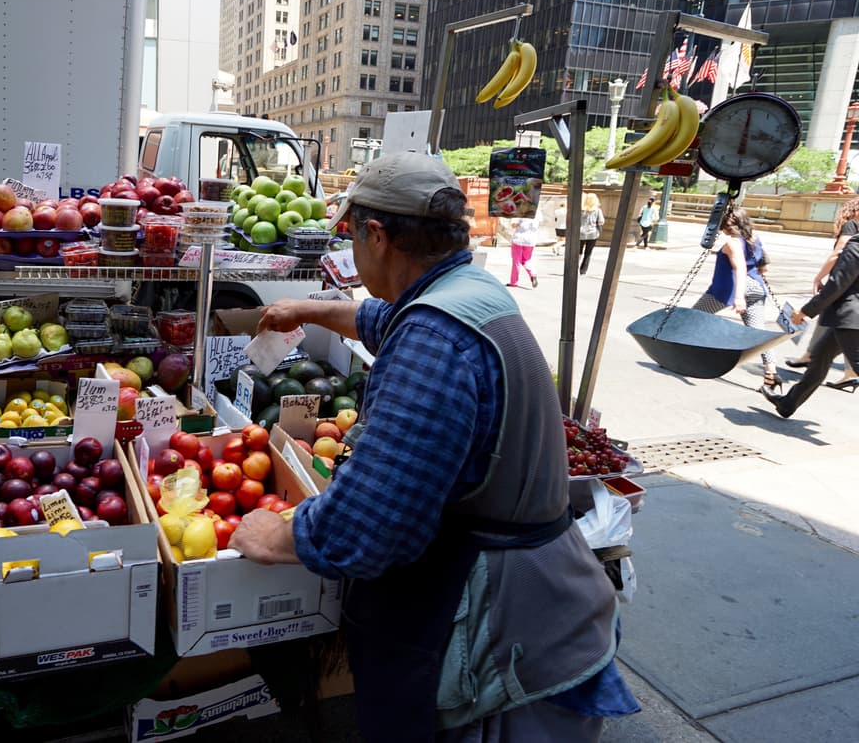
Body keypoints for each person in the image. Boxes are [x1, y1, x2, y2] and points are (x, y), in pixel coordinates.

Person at [230, 150, 638, 741]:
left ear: (375, 235)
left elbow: (367, 527)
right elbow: (385, 317)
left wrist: (280, 535)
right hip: (552, 603)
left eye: (352, 233)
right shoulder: (469, 289)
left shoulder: (432, 339)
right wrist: (311, 308)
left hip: (496, 634)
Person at [762, 231, 859, 417]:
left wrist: (806, 311)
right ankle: (788, 404)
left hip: (850, 318)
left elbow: (837, 284)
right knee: (820, 358)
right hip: (847, 320)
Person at [692, 206, 779, 392]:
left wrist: (739, 297)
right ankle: (771, 373)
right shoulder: (754, 238)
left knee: (693, 317)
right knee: (758, 332)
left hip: (728, 290)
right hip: (756, 287)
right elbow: (764, 268)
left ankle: (690, 357)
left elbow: (739, 267)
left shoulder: (732, 242)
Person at [781, 196, 859, 387]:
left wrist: (818, 277)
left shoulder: (852, 227)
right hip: (848, 307)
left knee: (839, 328)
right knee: (825, 352)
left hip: (847, 301)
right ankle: (787, 403)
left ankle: (817, 358)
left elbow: (839, 256)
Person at [508, 213, 539, 288]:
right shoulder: (537, 212)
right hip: (531, 240)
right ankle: (533, 274)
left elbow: (513, 225)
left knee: (516, 261)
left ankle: (514, 282)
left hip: (519, 239)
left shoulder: (520, 211)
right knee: (526, 260)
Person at [578, 192, 604, 275]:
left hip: (580, 233)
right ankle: (583, 271)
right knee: (588, 253)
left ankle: (574, 268)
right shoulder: (597, 210)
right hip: (592, 234)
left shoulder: (581, 210)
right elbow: (601, 222)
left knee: (578, 252)